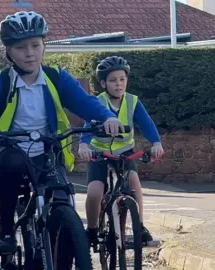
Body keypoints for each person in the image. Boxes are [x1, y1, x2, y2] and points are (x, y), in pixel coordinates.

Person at [0, 11, 124, 254]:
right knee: (12, 164)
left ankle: (62, 242)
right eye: (20, 47)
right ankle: (7, 229)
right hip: (11, 147)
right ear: (8, 51)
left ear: (43, 46)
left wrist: (108, 117)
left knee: (63, 197)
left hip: (48, 149)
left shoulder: (56, 77)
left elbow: (85, 102)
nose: (29, 53)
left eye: (35, 45)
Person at [78, 56, 165, 245]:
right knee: (95, 191)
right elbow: (87, 126)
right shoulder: (97, 102)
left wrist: (156, 143)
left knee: (134, 182)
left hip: (125, 152)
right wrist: (83, 146)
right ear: (103, 83)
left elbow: (147, 124)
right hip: (99, 153)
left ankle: (140, 225)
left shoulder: (133, 101)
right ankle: (92, 230)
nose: (118, 84)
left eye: (122, 79)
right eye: (112, 80)